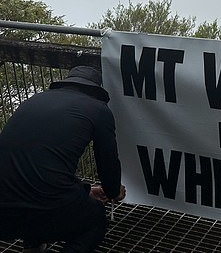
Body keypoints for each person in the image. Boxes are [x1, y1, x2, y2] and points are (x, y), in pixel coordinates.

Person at [0, 66, 126, 253]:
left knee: (34, 197)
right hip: (45, 211)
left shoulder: (33, 100)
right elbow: (107, 163)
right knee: (95, 220)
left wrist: (85, 191)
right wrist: (113, 191)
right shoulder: (99, 110)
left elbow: (34, 161)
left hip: (4, 216)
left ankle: (33, 245)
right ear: (96, 90)